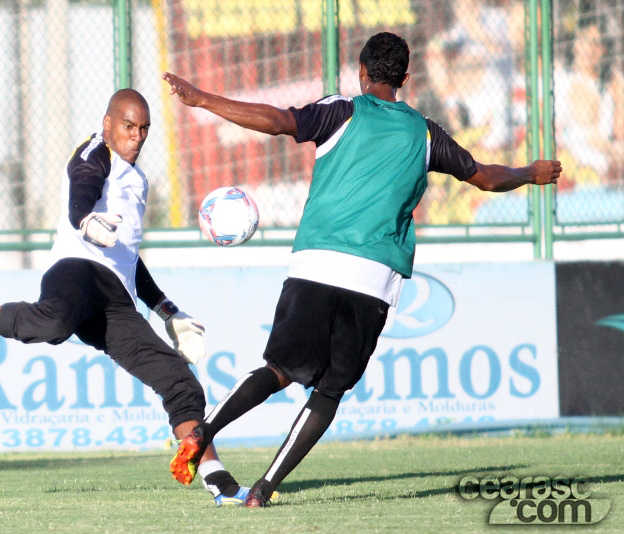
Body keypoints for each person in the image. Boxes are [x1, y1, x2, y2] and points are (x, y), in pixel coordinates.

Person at [162, 32, 561, 508]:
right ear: (405, 79)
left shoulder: (342, 110)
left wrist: (202, 99)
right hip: (372, 280)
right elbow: (486, 177)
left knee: (279, 369)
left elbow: (276, 120)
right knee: (328, 391)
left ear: (361, 72)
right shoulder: (425, 132)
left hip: (315, 264)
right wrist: (529, 173)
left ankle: (204, 431)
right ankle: (263, 490)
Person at [0, 89, 251, 506]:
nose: (137, 136)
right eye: (128, 126)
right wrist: (85, 220)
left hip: (115, 300)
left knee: (180, 382)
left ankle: (220, 483)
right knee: (53, 324)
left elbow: (128, 258)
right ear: (108, 124)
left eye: (144, 129)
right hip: (75, 272)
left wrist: (167, 310)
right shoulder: (94, 152)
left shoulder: (140, 181)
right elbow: (82, 189)